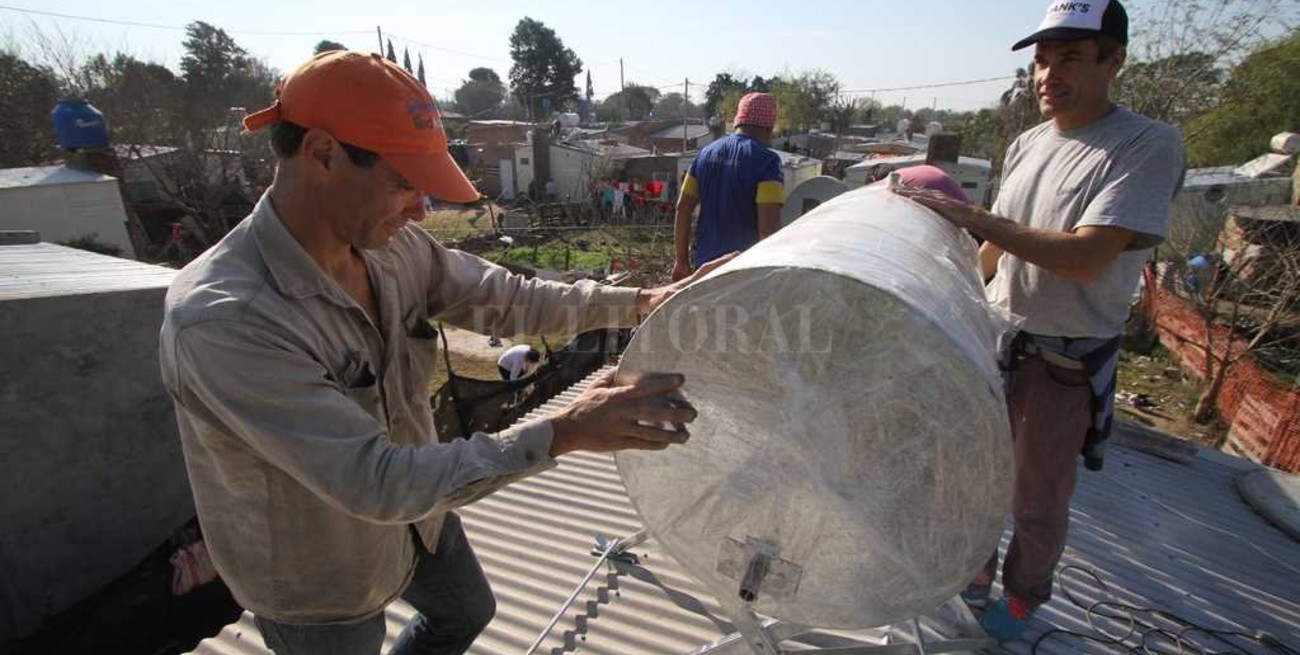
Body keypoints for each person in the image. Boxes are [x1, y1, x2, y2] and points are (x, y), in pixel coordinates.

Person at [158, 50, 726, 655]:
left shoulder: (390, 249)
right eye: (404, 183)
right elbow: (374, 482)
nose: (421, 209)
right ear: (322, 154)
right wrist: (565, 432)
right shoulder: (228, 319)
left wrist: (642, 300)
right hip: (319, 575)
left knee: (466, 611)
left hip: (421, 521)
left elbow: (506, 299)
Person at [894, 0, 1184, 643]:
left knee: (1037, 501)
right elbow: (999, 250)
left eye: (1071, 58)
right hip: (995, 339)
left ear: (1114, 61)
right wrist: (942, 287)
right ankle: (971, 577)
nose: (1049, 75)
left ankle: (1021, 603)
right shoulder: (1029, 142)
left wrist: (970, 219)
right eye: (1043, 61)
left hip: (1062, 356)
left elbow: (1085, 257)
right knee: (970, 475)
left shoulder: (1145, 145)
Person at [672, 92, 784, 281]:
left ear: (738, 122)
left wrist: (681, 261)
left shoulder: (704, 154)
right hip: (743, 275)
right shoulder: (768, 162)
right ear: (768, 128)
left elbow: (683, 207)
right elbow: (768, 231)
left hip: (704, 271)